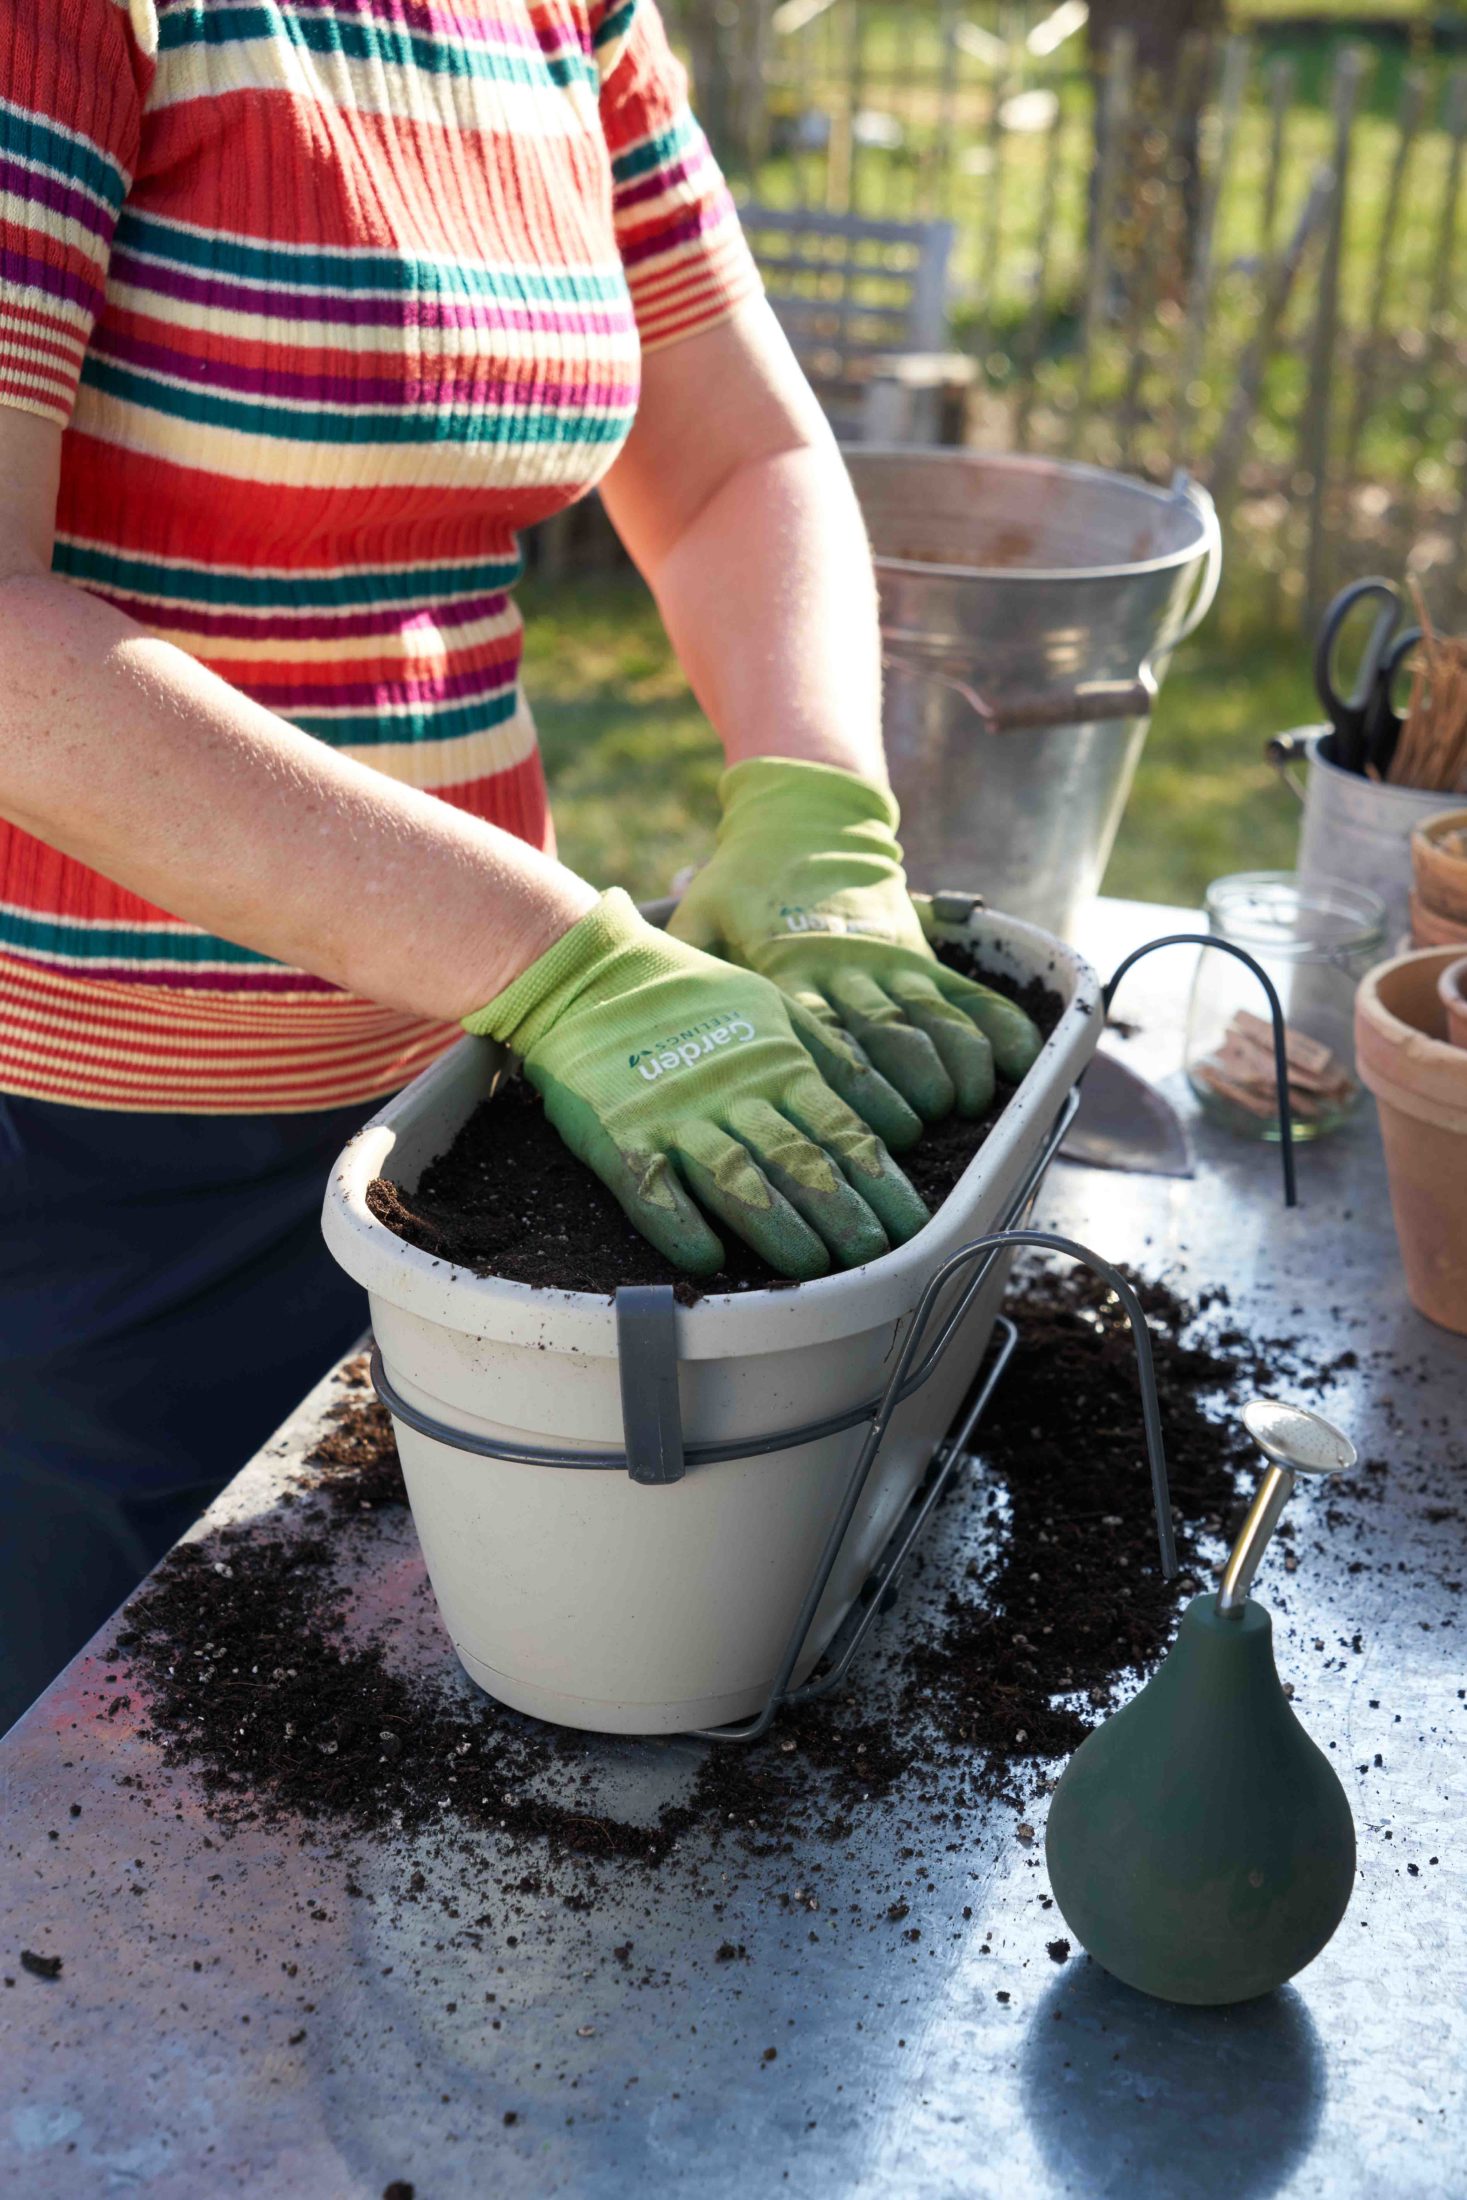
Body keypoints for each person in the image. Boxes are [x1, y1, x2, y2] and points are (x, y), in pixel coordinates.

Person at [0, 0, 1039, 1728]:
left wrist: (816, 812)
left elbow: (734, 459)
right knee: (88, 1837)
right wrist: (564, 963)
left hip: (470, 1108)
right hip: (98, 1198)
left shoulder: (560, 17)